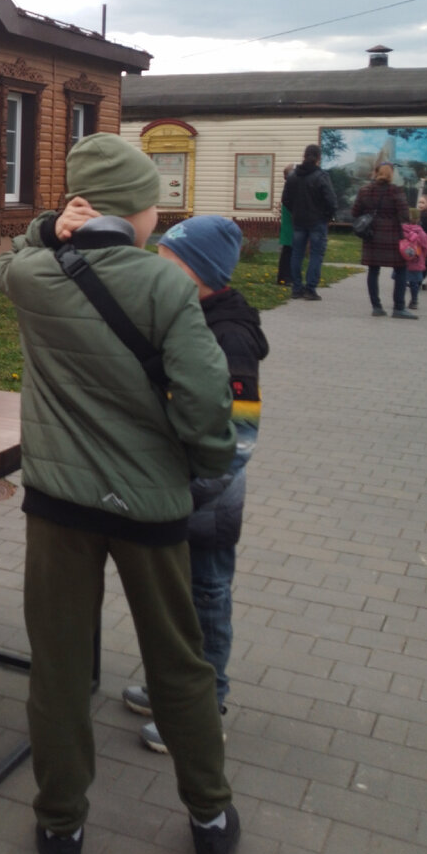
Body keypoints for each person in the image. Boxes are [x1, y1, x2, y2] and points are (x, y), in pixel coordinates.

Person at [0, 133, 240, 854]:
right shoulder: (166, 287)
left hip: (58, 506)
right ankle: (209, 820)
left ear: (78, 207)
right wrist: (203, 467)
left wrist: (49, 226)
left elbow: (16, 255)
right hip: (151, 508)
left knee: (60, 669)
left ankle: (60, 828)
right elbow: (205, 404)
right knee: (179, 664)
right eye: (151, 207)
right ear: (134, 212)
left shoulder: (33, 275)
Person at [119, 216, 268, 753]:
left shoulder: (228, 337)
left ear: (198, 274)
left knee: (206, 597)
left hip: (207, 498)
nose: (157, 272)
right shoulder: (187, 315)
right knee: (174, 599)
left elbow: (240, 436)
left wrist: (191, 492)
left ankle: (203, 706)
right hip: (177, 490)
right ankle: (171, 690)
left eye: (168, 264)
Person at [351, 161, 412, 318]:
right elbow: (405, 215)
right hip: (392, 235)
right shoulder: (396, 191)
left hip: (372, 235)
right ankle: (399, 308)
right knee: (400, 269)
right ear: (391, 174)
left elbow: (355, 211)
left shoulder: (365, 190)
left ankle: (376, 307)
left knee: (373, 270)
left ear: (375, 172)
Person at [280, 143, 337, 301]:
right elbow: (331, 200)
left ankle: (296, 288)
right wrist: (327, 216)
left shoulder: (292, 176)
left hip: (298, 220)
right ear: (318, 158)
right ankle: (310, 289)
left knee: (296, 254)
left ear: (304, 156)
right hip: (317, 220)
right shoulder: (321, 176)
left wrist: (295, 211)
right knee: (316, 255)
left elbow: (286, 200)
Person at [398, 220, 427, 310]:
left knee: (401, 281)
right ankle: (414, 301)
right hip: (416, 260)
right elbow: (426, 246)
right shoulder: (421, 233)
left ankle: (400, 300)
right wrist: (423, 256)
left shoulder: (401, 230)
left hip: (401, 260)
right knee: (414, 283)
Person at [276, 163, 295, 286]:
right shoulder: (290, 185)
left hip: (288, 221)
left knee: (288, 249)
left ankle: (285, 277)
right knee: (288, 250)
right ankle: (284, 277)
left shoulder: (289, 185)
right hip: (290, 221)